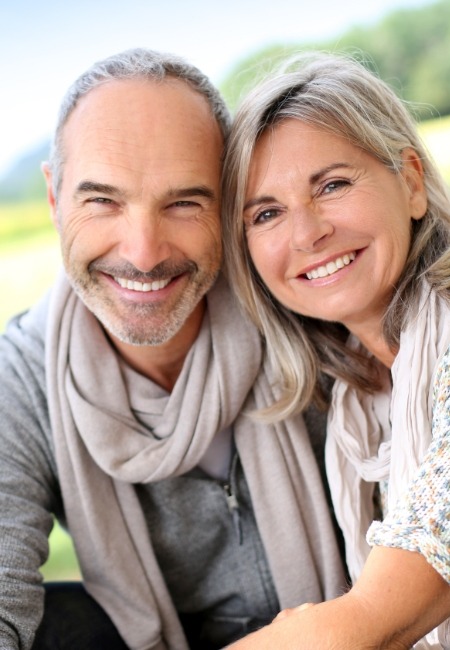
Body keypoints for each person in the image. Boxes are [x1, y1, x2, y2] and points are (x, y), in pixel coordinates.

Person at [0, 48, 347, 650]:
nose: (143, 252)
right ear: (56, 201)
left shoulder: (308, 300)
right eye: (102, 201)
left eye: (185, 202)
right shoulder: (20, 381)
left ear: (229, 204)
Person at [221, 51, 450, 649]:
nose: (307, 233)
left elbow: (365, 625)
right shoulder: (353, 402)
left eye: (333, 185)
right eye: (266, 213)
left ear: (412, 182)